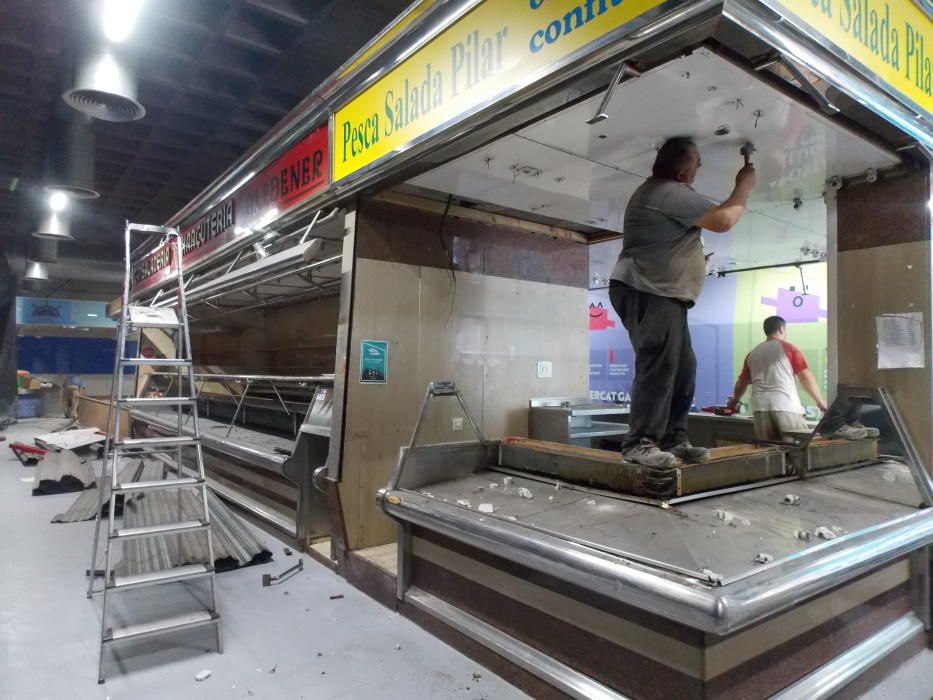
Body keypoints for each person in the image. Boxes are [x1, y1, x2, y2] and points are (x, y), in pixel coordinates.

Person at [610, 137, 756, 468]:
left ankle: (673, 439)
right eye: (697, 162)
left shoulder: (664, 194)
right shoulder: (666, 192)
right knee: (659, 367)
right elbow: (723, 220)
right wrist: (743, 185)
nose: (700, 167)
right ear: (680, 171)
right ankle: (640, 443)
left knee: (683, 370)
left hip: (663, 293)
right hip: (647, 289)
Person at [727, 316, 827, 441]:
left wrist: (735, 400)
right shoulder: (789, 348)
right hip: (785, 405)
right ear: (781, 329)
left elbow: (742, 382)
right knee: (796, 449)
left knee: (770, 452)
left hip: (760, 408)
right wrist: (819, 400)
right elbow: (805, 376)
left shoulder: (753, 354)